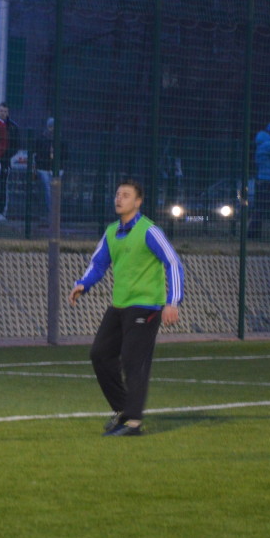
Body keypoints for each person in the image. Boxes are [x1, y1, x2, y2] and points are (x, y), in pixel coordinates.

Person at [69, 179, 185, 436]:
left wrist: (172, 301)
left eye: (125, 195)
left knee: (133, 361)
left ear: (138, 202)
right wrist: (82, 284)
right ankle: (124, 409)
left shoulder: (149, 231)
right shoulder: (112, 231)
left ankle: (133, 423)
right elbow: (98, 264)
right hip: (120, 306)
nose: (119, 199)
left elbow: (173, 263)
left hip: (146, 307)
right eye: (117, 194)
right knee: (100, 355)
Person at [32, 118, 66, 218]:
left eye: (54, 127)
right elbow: (36, 153)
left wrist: (56, 156)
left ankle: (54, 213)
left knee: (55, 191)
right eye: (50, 126)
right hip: (43, 168)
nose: (52, 129)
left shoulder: (61, 140)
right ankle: (52, 213)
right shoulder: (41, 139)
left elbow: (65, 155)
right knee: (47, 189)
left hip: (57, 169)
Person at [0, 102, 19, 220]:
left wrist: (7, 155)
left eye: (5, 111)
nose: (3, 113)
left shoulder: (13, 127)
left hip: (5, 160)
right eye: (1, 111)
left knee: (3, 185)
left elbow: (16, 145)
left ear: (8, 113)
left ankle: (2, 211)